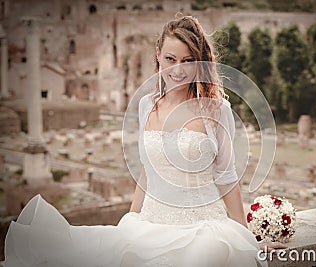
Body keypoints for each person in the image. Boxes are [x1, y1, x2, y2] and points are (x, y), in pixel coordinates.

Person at [4, 15, 286, 267]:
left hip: (203, 228)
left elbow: (226, 177)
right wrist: (129, 224)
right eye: (170, 59)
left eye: (188, 60)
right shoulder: (145, 105)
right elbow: (146, 172)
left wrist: (245, 237)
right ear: (158, 57)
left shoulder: (217, 109)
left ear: (200, 62)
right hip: (150, 222)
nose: (178, 69)